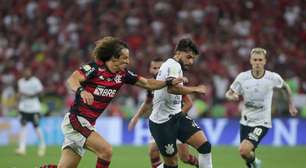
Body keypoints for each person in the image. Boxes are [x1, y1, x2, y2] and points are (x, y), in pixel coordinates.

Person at [57, 36, 183, 168]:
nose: (128, 61)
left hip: (88, 124)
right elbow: (72, 79)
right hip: (76, 121)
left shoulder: (123, 75)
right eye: (125, 58)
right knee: (106, 151)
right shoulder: (94, 68)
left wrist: (168, 82)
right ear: (114, 58)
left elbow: (148, 83)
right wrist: (82, 91)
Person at [225, 48, 298, 168]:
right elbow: (228, 93)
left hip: (262, 122)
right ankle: (254, 163)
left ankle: (255, 163)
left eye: (260, 60)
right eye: (255, 60)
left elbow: (286, 87)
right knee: (245, 155)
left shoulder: (272, 77)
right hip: (245, 121)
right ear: (250, 61)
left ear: (265, 61)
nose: (257, 62)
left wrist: (291, 105)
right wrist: (232, 96)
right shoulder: (243, 77)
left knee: (243, 150)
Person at [149, 38, 213, 168]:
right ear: (178, 53)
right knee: (172, 164)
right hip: (162, 123)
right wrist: (195, 89)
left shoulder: (175, 66)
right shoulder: (173, 65)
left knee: (205, 146)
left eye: (193, 58)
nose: (191, 61)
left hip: (177, 116)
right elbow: (172, 88)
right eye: (188, 57)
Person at [128, 58, 199, 168]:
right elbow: (147, 103)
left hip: (177, 123)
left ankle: (201, 164)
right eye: (154, 68)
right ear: (150, 69)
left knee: (184, 158)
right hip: (161, 123)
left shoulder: (172, 84)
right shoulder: (151, 85)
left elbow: (189, 103)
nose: (156, 70)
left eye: (159, 68)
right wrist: (136, 117)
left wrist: (176, 119)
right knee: (153, 151)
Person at [15, 67, 46, 156]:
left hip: (34, 108)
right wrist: (18, 100)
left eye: (28, 71)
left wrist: (28, 95)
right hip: (23, 108)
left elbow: (41, 93)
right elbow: (19, 94)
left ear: (30, 72)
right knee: (23, 127)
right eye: (25, 72)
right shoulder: (20, 82)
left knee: (36, 127)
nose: (26, 73)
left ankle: (42, 145)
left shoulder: (35, 81)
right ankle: (22, 148)